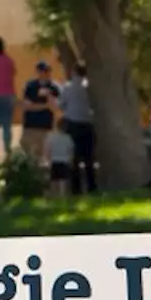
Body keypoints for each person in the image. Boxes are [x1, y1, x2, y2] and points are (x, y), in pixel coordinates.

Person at [59, 63, 97, 194]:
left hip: (73, 124)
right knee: (89, 158)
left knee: (74, 158)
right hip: (87, 124)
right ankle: (92, 186)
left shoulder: (68, 87)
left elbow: (61, 105)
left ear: (74, 72)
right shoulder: (90, 87)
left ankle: (76, 188)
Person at [21, 60, 59, 163]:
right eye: (43, 71)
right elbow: (27, 106)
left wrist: (48, 96)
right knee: (29, 158)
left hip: (46, 127)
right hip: (30, 126)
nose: (46, 73)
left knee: (46, 159)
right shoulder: (30, 86)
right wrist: (45, 105)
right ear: (38, 72)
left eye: (47, 71)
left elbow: (55, 107)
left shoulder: (54, 87)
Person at [46, 115, 75, 198]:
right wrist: (71, 161)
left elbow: (48, 149)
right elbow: (71, 151)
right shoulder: (68, 138)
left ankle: (54, 195)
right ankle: (63, 195)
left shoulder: (51, 137)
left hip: (54, 160)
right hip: (65, 161)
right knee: (64, 180)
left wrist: (48, 160)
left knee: (54, 179)